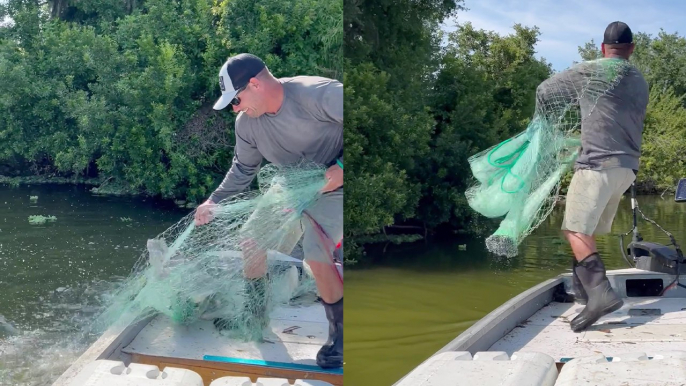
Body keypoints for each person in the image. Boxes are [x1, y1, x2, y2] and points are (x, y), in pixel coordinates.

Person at [194, 53, 344, 368]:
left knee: (317, 257)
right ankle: (256, 321)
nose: (235, 108)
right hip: (290, 184)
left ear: (254, 84)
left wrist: (341, 168)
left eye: (235, 100)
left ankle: (339, 338)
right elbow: (242, 170)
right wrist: (213, 201)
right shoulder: (246, 124)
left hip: (336, 184)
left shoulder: (319, 94)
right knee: (250, 242)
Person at [536, 21, 649, 332]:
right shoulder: (639, 79)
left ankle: (601, 294)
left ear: (603, 49)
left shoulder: (593, 70)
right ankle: (583, 290)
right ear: (631, 50)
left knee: (574, 230)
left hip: (597, 166)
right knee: (588, 232)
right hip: (626, 170)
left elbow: (545, 91)